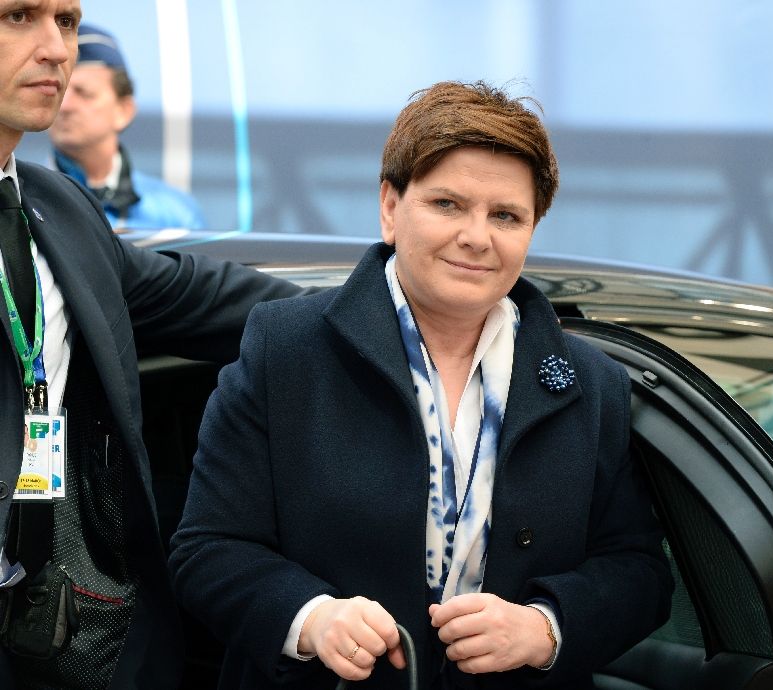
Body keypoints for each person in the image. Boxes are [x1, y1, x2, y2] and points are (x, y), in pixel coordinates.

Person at [169, 80, 673, 689]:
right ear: (390, 207)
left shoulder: (590, 385)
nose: (476, 236)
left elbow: (639, 573)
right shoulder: (285, 348)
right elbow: (207, 549)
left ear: (531, 229)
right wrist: (312, 618)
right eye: (447, 205)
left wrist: (544, 628)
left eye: (506, 216)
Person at [0, 3, 304, 688]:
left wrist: (394, 304)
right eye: (20, 16)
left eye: (68, 21)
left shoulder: (60, 206)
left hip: (67, 626)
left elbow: (201, 297)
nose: (56, 49)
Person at [48, 23, 205, 230]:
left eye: (84, 93)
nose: (64, 105)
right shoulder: (18, 202)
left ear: (124, 110)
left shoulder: (175, 215)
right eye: (57, 90)